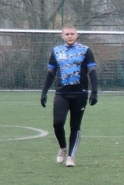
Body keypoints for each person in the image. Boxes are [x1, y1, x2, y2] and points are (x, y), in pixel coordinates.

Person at [40, 24, 99, 168]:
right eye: (67, 34)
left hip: (80, 94)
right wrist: (44, 91)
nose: (70, 36)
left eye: (72, 33)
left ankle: (71, 156)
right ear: (62, 36)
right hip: (62, 93)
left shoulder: (85, 51)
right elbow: (51, 73)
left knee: (75, 126)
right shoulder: (56, 51)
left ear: (77, 35)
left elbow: (92, 72)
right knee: (58, 123)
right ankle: (63, 148)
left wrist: (94, 92)